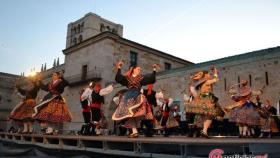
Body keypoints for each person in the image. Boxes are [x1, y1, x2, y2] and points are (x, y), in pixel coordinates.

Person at [112, 61, 157, 138]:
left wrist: (154, 69)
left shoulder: (141, 78)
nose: (140, 70)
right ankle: (134, 131)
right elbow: (119, 78)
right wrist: (119, 68)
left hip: (136, 96)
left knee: (134, 114)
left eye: (140, 69)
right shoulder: (127, 78)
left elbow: (151, 79)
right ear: (133, 69)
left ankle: (137, 130)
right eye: (138, 69)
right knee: (130, 115)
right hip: (128, 97)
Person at [185, 66, 224, 138]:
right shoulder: (206, 81)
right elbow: (215, 79)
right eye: (209, 74)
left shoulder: (202, 83)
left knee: (207, 116)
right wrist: (215, 73)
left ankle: (204, 131)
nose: (209, 75)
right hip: (207, 99)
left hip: (203, 99)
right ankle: (204, 131)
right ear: (205, 75)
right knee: (210, 115)